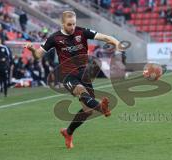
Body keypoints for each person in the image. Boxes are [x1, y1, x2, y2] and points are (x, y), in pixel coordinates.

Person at [25, 11, 123, 149]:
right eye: (69, 24)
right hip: (67, 75)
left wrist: (117, 43)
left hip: (84, 73)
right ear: (63, 23)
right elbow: (38, 55)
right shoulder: (54, 38)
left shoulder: (82, 32)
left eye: (74, 24)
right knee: (83, 94)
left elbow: (105, 37)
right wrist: (32, 50)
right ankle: (102, 107)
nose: (72, 27)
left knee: (87, 110)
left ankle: (68, 132)